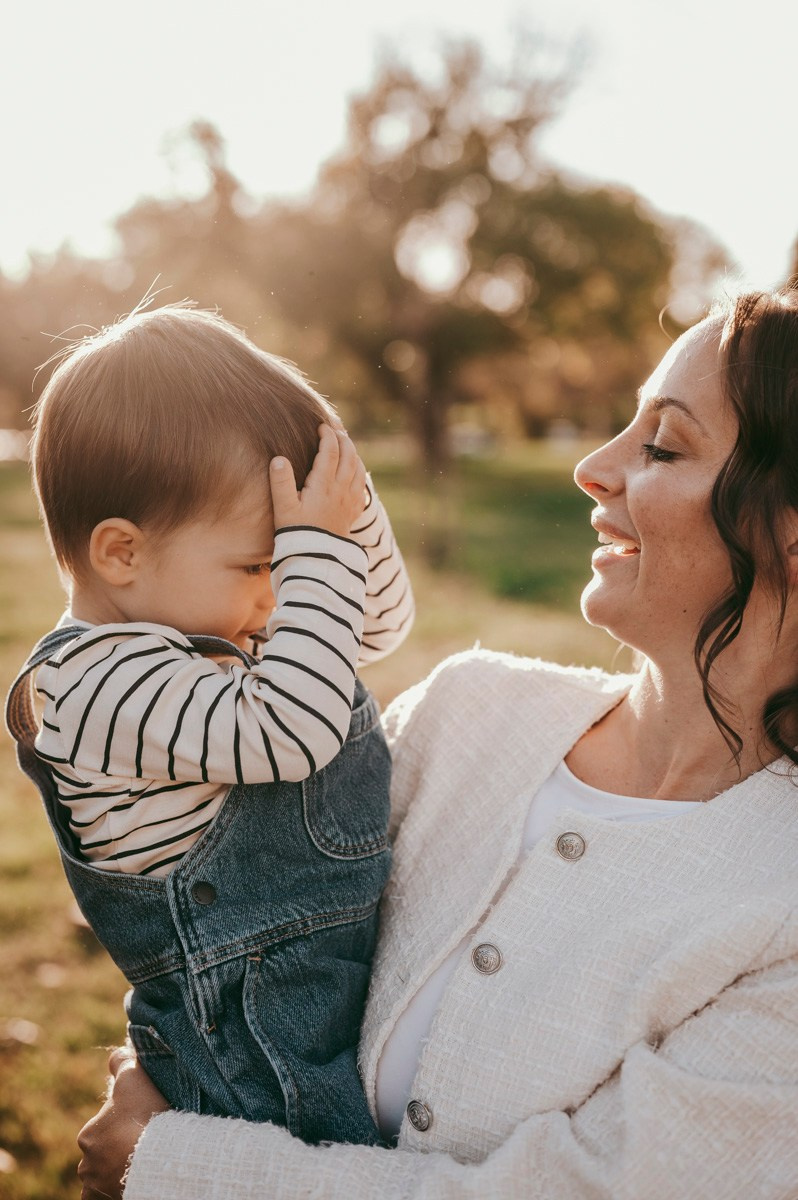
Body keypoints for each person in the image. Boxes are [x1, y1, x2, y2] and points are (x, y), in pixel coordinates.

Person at [78, 287, 798, 1199]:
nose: (593, 465)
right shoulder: (471, 709)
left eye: (663, 444)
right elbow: (245, 917)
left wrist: (174, 1164)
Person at [5, 304, 414, 1145]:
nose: (281, 591)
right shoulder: (99, 682)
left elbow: (373, 627)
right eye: (261, 563)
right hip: (248, 1043)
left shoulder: (195, 620)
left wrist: (344, 490)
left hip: (302, 998)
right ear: (122, 551)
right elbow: (294, 732)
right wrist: (317, 548)